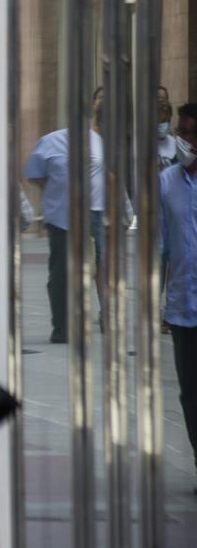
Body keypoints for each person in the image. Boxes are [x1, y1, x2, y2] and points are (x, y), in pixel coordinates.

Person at [23, 94, 105, 344]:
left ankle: (104, 317)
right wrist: (57, 193)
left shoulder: (99, 142)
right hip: (62, 217)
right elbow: (34, 175)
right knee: (60, 272)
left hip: (96, 214)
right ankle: (61, 326)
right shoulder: (49, 142)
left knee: (100, 267)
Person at [161, 102, 197, 492]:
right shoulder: (166, 183)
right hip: (184, 311)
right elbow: (159, 247)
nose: (186, 141)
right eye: (181, 133)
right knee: (190, 394)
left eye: (192, 133)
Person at [158, 87, 178, 170]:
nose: (163, 125)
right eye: (160, 121)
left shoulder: (176, 145)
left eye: (165, 121)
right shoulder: (143, 145)